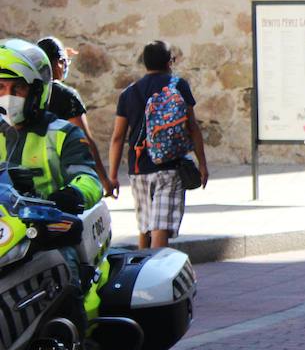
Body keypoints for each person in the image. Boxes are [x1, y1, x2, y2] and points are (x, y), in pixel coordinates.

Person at [108, 40, 209, 250]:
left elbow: (118, 137)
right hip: (169, 166)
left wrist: (113, 175)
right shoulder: (178, 85)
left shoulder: (129, 93)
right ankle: (155, 274)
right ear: (168, 62)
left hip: (138, 169)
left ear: (144, 63)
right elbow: (192, 127)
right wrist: (203, 164)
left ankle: (140, 273)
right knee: (160, 227)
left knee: (145, 226)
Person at [0, 38, 102, 214]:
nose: (8, 96)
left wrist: (74, 194)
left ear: (37, 92)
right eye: (1, 87)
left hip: (48, 230)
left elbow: (89, 179)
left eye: (18, 87)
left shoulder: (63, 134)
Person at [35, 36, 113, 196]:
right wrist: (104, 179)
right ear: (57, 62)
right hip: (60, 171)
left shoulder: (27, 91)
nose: (65, 66)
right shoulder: (65, 95)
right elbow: (85, 140)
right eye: (64, 61)